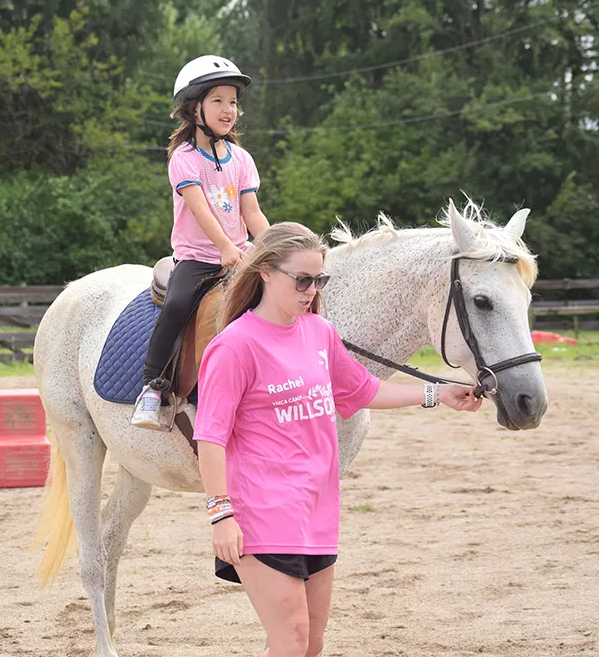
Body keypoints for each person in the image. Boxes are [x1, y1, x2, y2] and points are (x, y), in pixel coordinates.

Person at [193, 222, 483, 657]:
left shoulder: (319, 332)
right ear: (266, 273)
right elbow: (210, 436)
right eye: (303, 279)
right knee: (289, 642)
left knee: (311, 644)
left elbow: (362, 391)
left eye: (319, 279)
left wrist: (436, 393)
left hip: (317, 510)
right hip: (261, 515)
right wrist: (221, 515)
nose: (311, 290)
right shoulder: (234, 346)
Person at [132, 55, 270, 430]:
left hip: (239, 257)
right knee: (175, 307)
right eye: (218, 101)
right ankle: (153, 387)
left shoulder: (241, 159)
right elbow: (200, 210)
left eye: (233, 101)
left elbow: (252, 213)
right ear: (194, 109)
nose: (229, 109)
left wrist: (274, 246)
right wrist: (225, 247)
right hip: (198, 259)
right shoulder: (184, 159)